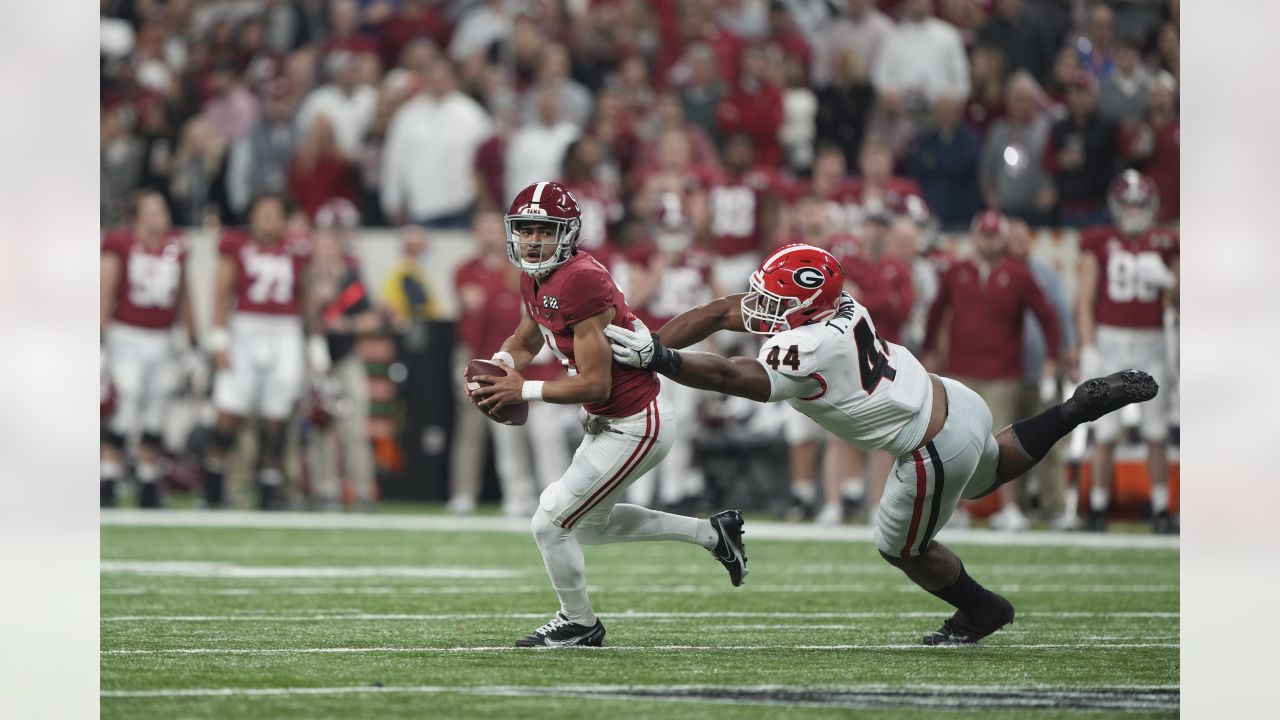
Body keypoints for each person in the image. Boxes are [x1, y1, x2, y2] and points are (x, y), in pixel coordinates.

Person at [603, 243, 1158, 645]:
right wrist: (648, 344)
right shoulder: (841, 308)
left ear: (809, 306)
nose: (760, 309)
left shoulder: (810, 345)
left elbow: (728, 376)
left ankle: (982, 610)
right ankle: (1072, 410)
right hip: (953, 400)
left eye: (774, 302)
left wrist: (660, 360)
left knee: (902, 548)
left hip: (929, 447)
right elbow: (726, 310)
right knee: (987, 472)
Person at [468, 181, 748, 648]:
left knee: (550, 521)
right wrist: (501, 366)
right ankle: (712, 533)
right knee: (590, 527)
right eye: (526, 229)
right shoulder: (536, 275)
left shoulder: (580, 279)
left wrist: (526, 388)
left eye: (544, 230)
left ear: (568, 233)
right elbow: (527, 337)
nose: (533, 240)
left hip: (636, 418)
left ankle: (578, 622)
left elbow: (596, 382)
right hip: (610, 417)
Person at [922, 211, 1062, 532]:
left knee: (1000, 443)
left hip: (1003, 371)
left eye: (993, 235)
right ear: (975, 237)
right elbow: (935, 311)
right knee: (953, 442)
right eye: (983, 235)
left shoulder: (1018, 275)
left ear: (1001, 238)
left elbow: (1047, 316)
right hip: (960, 369)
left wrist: (1052, 357)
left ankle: (1010, 507)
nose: (988, 241)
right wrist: (930, 350)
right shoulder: (957, 272)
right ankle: (952, 509)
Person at [204, 193, 321, 510]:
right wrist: (218, 339)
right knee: (229, 410)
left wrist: (315, 342)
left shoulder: (298, 249)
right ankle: (212, 484)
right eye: (262, 213)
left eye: (274, 213)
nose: (268, 219)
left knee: (277, 414)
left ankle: (270, 487)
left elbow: (307, 299)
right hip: (245, 330)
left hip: (285, 332)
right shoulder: (236, 246)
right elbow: (221, 294)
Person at [1076, 171, 1178, 534]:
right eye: (1128, 203)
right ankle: (1099, 508)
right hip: (1110, 343)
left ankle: (1162, 508)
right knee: (1105, 433)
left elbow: (1184, 298)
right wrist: (1087, 347)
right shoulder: (1099, 241)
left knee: (1155, 431)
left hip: (1151, 343)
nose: (1133, 210)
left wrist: (1169, 281)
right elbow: (1085, 300)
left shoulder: (1166, 242)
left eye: (1139, 203)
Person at [452, 210, 568, 517]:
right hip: (502, 368)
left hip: (541, 369)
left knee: (547, 440)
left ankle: (555, 500)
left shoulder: (545, 275)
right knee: (508, 439)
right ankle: (518, 498)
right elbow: (479, 322)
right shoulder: (482, 274)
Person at [100, 191, 194, 508]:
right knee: (125, 405)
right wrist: (98, 341)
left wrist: (192, 340)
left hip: (163, 338)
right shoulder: (120, 244)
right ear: (136, 218)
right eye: (152, 211)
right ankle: (107, 478)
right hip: (126, 335)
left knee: (156, 410)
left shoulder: (177, 246)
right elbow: (104, 291)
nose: (160, 217)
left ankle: (148, 481)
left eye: (162, 210)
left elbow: (184, 296)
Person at [304, 199, 380, 511]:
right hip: (314, 360)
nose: (324, 249)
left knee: (354, 427)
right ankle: (324, 489)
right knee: (319, 426)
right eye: (319, 244)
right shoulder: (303, 276)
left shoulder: (351, 276)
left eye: (328, 244)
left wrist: (346, 323)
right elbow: (303, 322)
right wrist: (315, 302)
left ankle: (362, 489)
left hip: (345, 357)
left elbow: (372, 318)